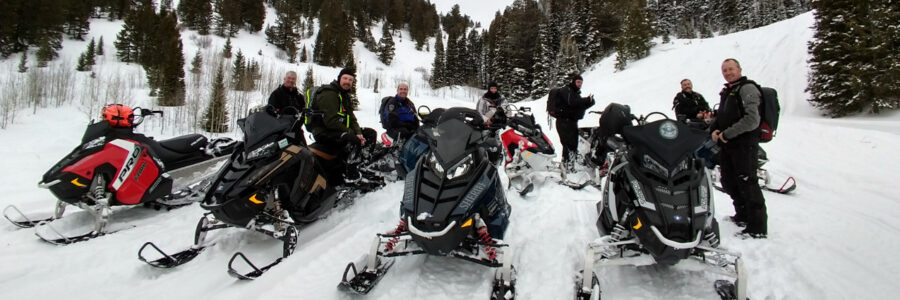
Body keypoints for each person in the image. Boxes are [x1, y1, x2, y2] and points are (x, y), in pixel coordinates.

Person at [710, 58, 767, 239]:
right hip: (728, 145)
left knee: (748, 183)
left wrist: (727, 134)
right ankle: (742, 215)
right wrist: (714, 129)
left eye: (731, 69)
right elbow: (721, 116)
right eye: (725, 70)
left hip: (744, 144)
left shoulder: (747, 89)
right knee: (729, 181)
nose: (728, 72)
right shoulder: (728, 90)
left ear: (739, 69)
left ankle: (757, 227)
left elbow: (752, 120)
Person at [305, 68, 374, 182]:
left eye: (350, 80)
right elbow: (330, 121)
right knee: (353, 140)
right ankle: (350, 174)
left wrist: (358, 132)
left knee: (370, 134)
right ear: (339, 79)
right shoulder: (329, 94)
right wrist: (352, 134)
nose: (347, 82)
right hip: (323, 131)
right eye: (345, 78)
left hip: (337, 130)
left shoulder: (343, 95)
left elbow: (351, 117)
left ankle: (361, 164)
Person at [550, 74, 595, 169]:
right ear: (573, 81)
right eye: (578, 82)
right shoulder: (567, 90)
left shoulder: (575, 93)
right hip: (564, 121)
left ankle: (569, 163)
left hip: (571, 122)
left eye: (581, 82)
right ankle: (567, 165)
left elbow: (578, 107)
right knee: (568, 144)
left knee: (573, 143)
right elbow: (571, 102)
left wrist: (589, 103)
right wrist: (586, 100)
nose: (579, 84)